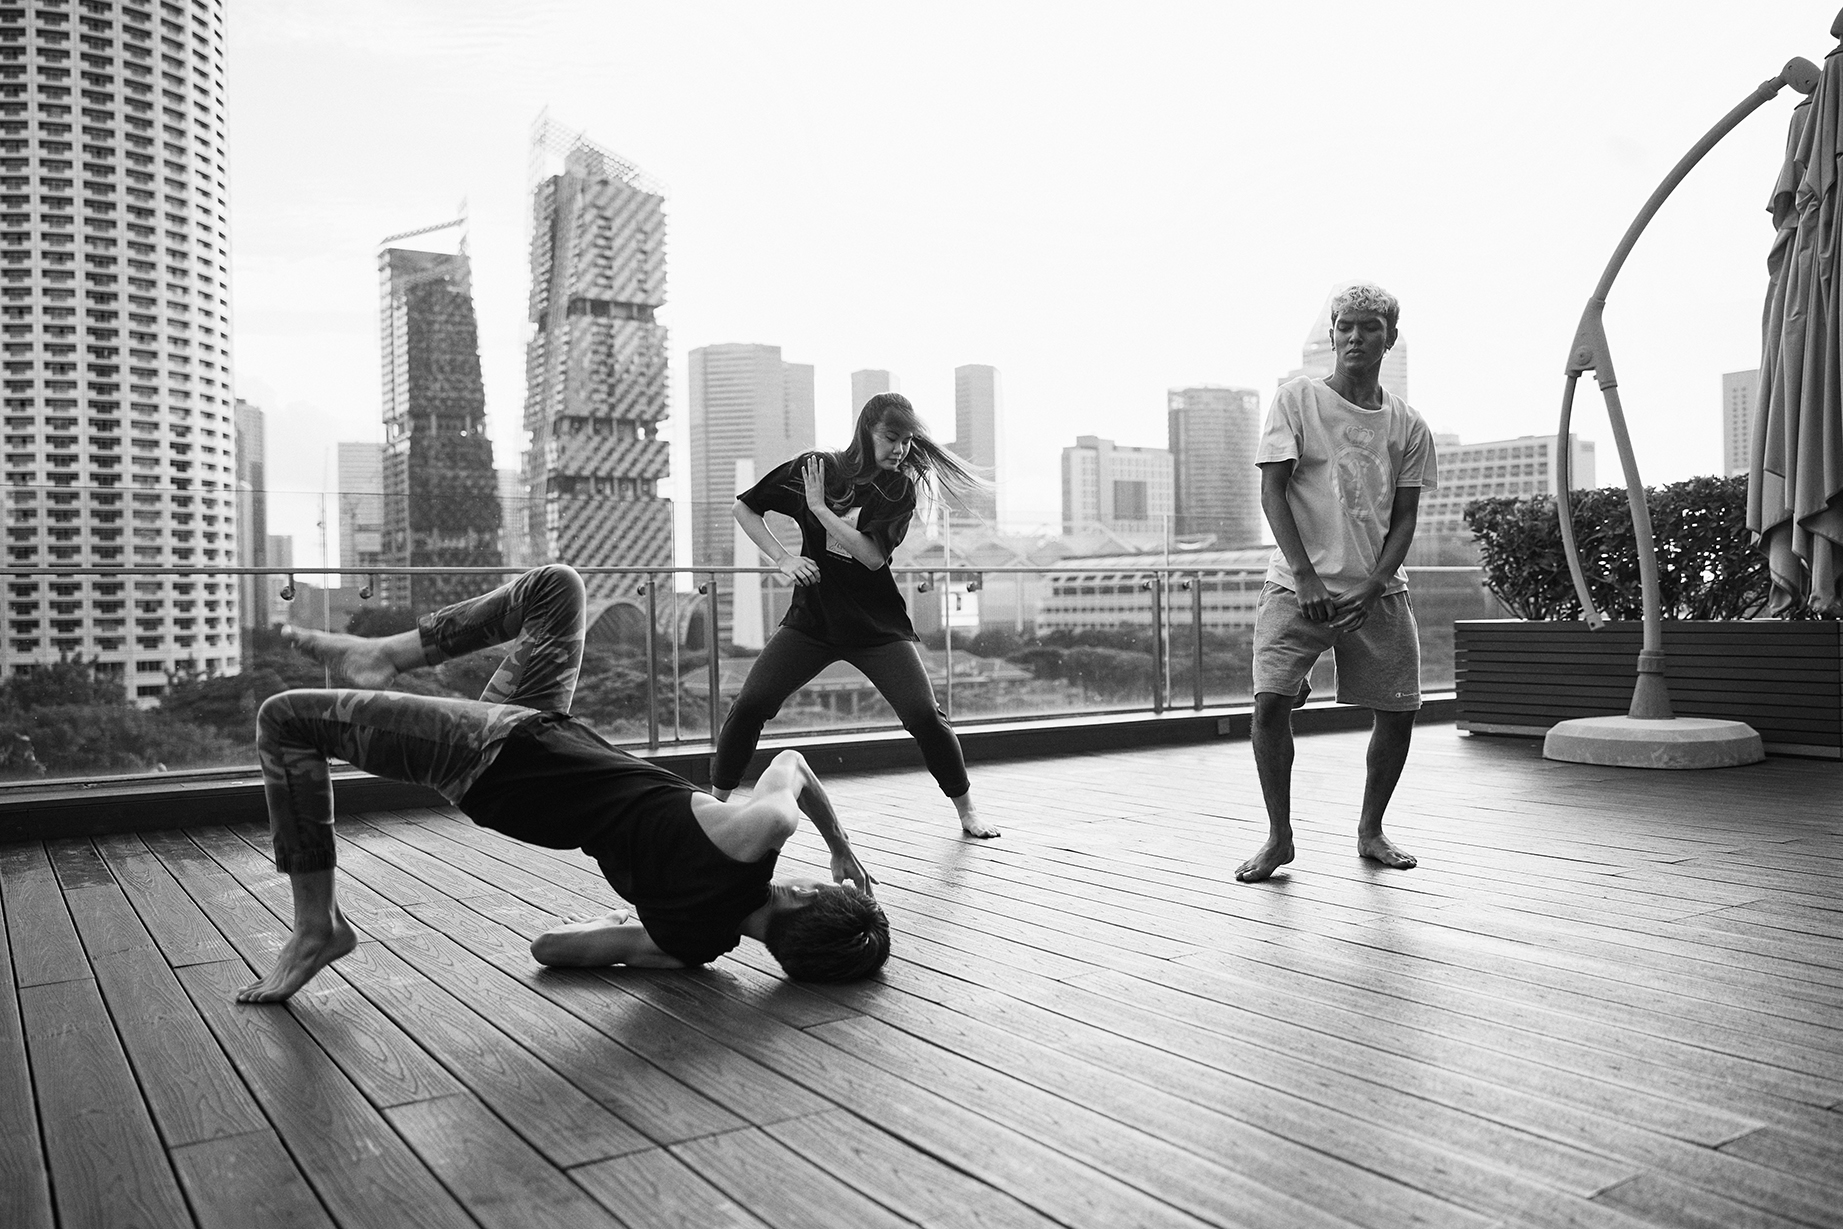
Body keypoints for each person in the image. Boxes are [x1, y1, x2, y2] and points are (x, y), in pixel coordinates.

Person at [236, 563, 888, 1004]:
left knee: (286, 720)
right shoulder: (687, 945)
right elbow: (551, 947)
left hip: (499, 755)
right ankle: (386, 654)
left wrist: (840, 843)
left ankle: (317, 925)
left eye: (823, 882)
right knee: (557, 586)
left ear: (804, 890)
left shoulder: (759, 832)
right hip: (533, 743)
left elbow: (794, 764)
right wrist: (625, 913)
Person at [713, 391, 999, 839]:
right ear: (866, 430)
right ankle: (714, 805)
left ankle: (967, 811)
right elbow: (744, 507)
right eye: (891, 437)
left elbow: (869, 556)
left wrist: (821, 511)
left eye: (906, 441)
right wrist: (783, 559)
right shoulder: (816, 469)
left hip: (876, 628)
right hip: (813, 621)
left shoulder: (898, 487)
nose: (900, 449)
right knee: (750, 705)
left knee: (925, 716)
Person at [1237, 282, 1438, 884]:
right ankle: (1279, 837)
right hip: (1295, 587)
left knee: (1398, 712)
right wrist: (1304, 576)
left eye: (1369, 327)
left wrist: (1377, 583)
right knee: (1270, 701)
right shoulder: (1297, 399)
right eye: (1344, 326)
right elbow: (1273, 489)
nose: (1355, 336)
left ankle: (1371, 830)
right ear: (1331, 334)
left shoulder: (1408, 423)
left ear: (1389, 337)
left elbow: (1405, 517)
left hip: (1377, 592)